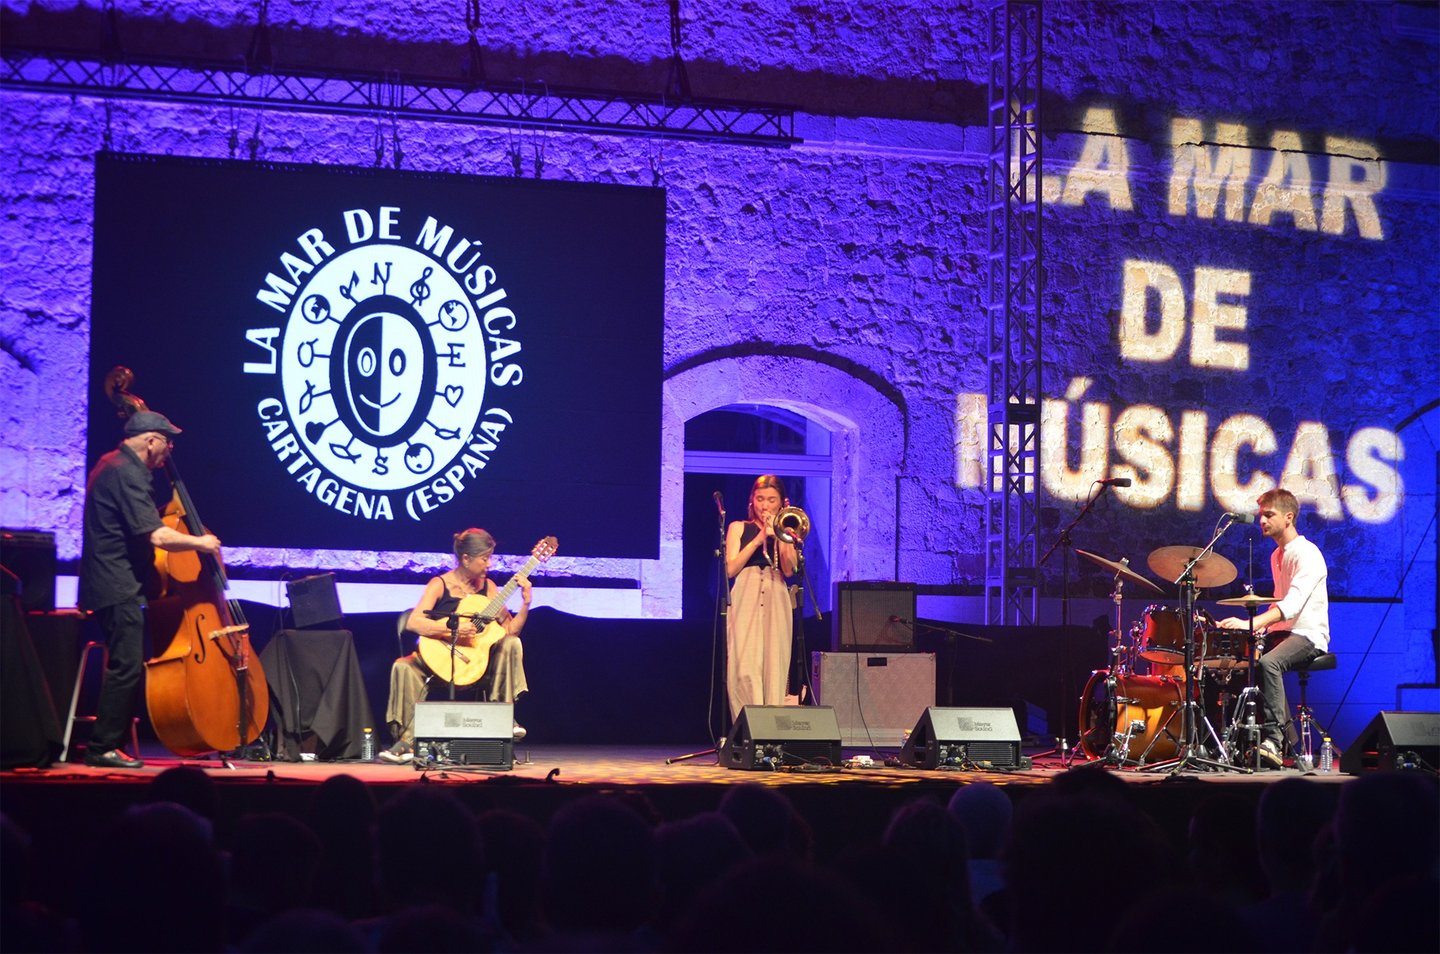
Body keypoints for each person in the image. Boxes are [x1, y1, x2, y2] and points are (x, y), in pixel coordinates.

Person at [78, 410, 221, 769]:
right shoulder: (127, 473)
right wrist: (201, 543)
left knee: (127, 665)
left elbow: (133, 522)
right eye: (167, 442)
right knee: (126, 667)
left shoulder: (112, 464)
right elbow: (157, 536)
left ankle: (112, 744)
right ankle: (102, 748)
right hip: (117, 584)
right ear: (151, 440)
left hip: (111, 581)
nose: (169, 450)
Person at [380, 528, 530, 763]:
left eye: (490, 558)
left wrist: (526, 603)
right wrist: (452, 631)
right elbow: (413, 621)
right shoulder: (440, 584)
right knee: (403, 666)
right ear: (466, 558)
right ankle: (406, 742)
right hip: (438, 660)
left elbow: (510, 630)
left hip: (476, 665)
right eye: (484, 559)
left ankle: (503, 717)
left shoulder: (489, 588)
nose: (489, 564)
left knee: (512, 643)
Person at [1217, 487, 1328, 769]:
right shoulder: (1277, 555)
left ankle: (1274, 741)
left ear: (1289, 517)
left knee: (1269, 663)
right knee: (1244, 663)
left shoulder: (1307, 553)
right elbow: (1279, 604)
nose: (1262, 521)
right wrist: (1254, 630)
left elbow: (1292, 604)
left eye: (1269, 515)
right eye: (1261, 515)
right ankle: (1275, 744)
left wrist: (1252, 623)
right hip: (1285, 633)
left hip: (1308, 635)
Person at [724, 475, 798, 720]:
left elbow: (789, 570)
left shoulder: (786, 531)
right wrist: (758, 540)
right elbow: (730, 569)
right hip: (746, 591)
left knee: (775, 662)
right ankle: (748, 727)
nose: (765, 505)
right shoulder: (738, 527)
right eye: (760, 499)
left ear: (782, 503)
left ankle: (772, 727)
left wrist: (782, 536)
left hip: (776, 591)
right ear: (752, 500)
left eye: (771, 500)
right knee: (745, 664)